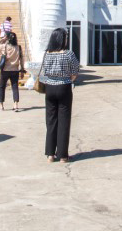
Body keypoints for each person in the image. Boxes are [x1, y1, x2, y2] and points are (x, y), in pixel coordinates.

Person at [40, 28, 80, 163]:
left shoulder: (47, 54)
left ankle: (50, 154)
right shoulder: (69, 54)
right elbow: (75, 70)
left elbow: (44, 71)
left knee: (51, 121)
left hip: (49, 88)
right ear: (62, 39)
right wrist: (69, 80)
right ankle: (63, 155)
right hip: (64, 87)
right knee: (64, 121)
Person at [0, 32, 25, 111]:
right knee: (15, 87)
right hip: (15, 70)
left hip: (5, 70)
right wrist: (22, 70)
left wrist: (2, 39)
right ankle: (16, 104)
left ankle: (1, 105)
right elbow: (21, 59)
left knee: (2, 87)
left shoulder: (4, 46)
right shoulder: (19, 47)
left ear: (7, 38)